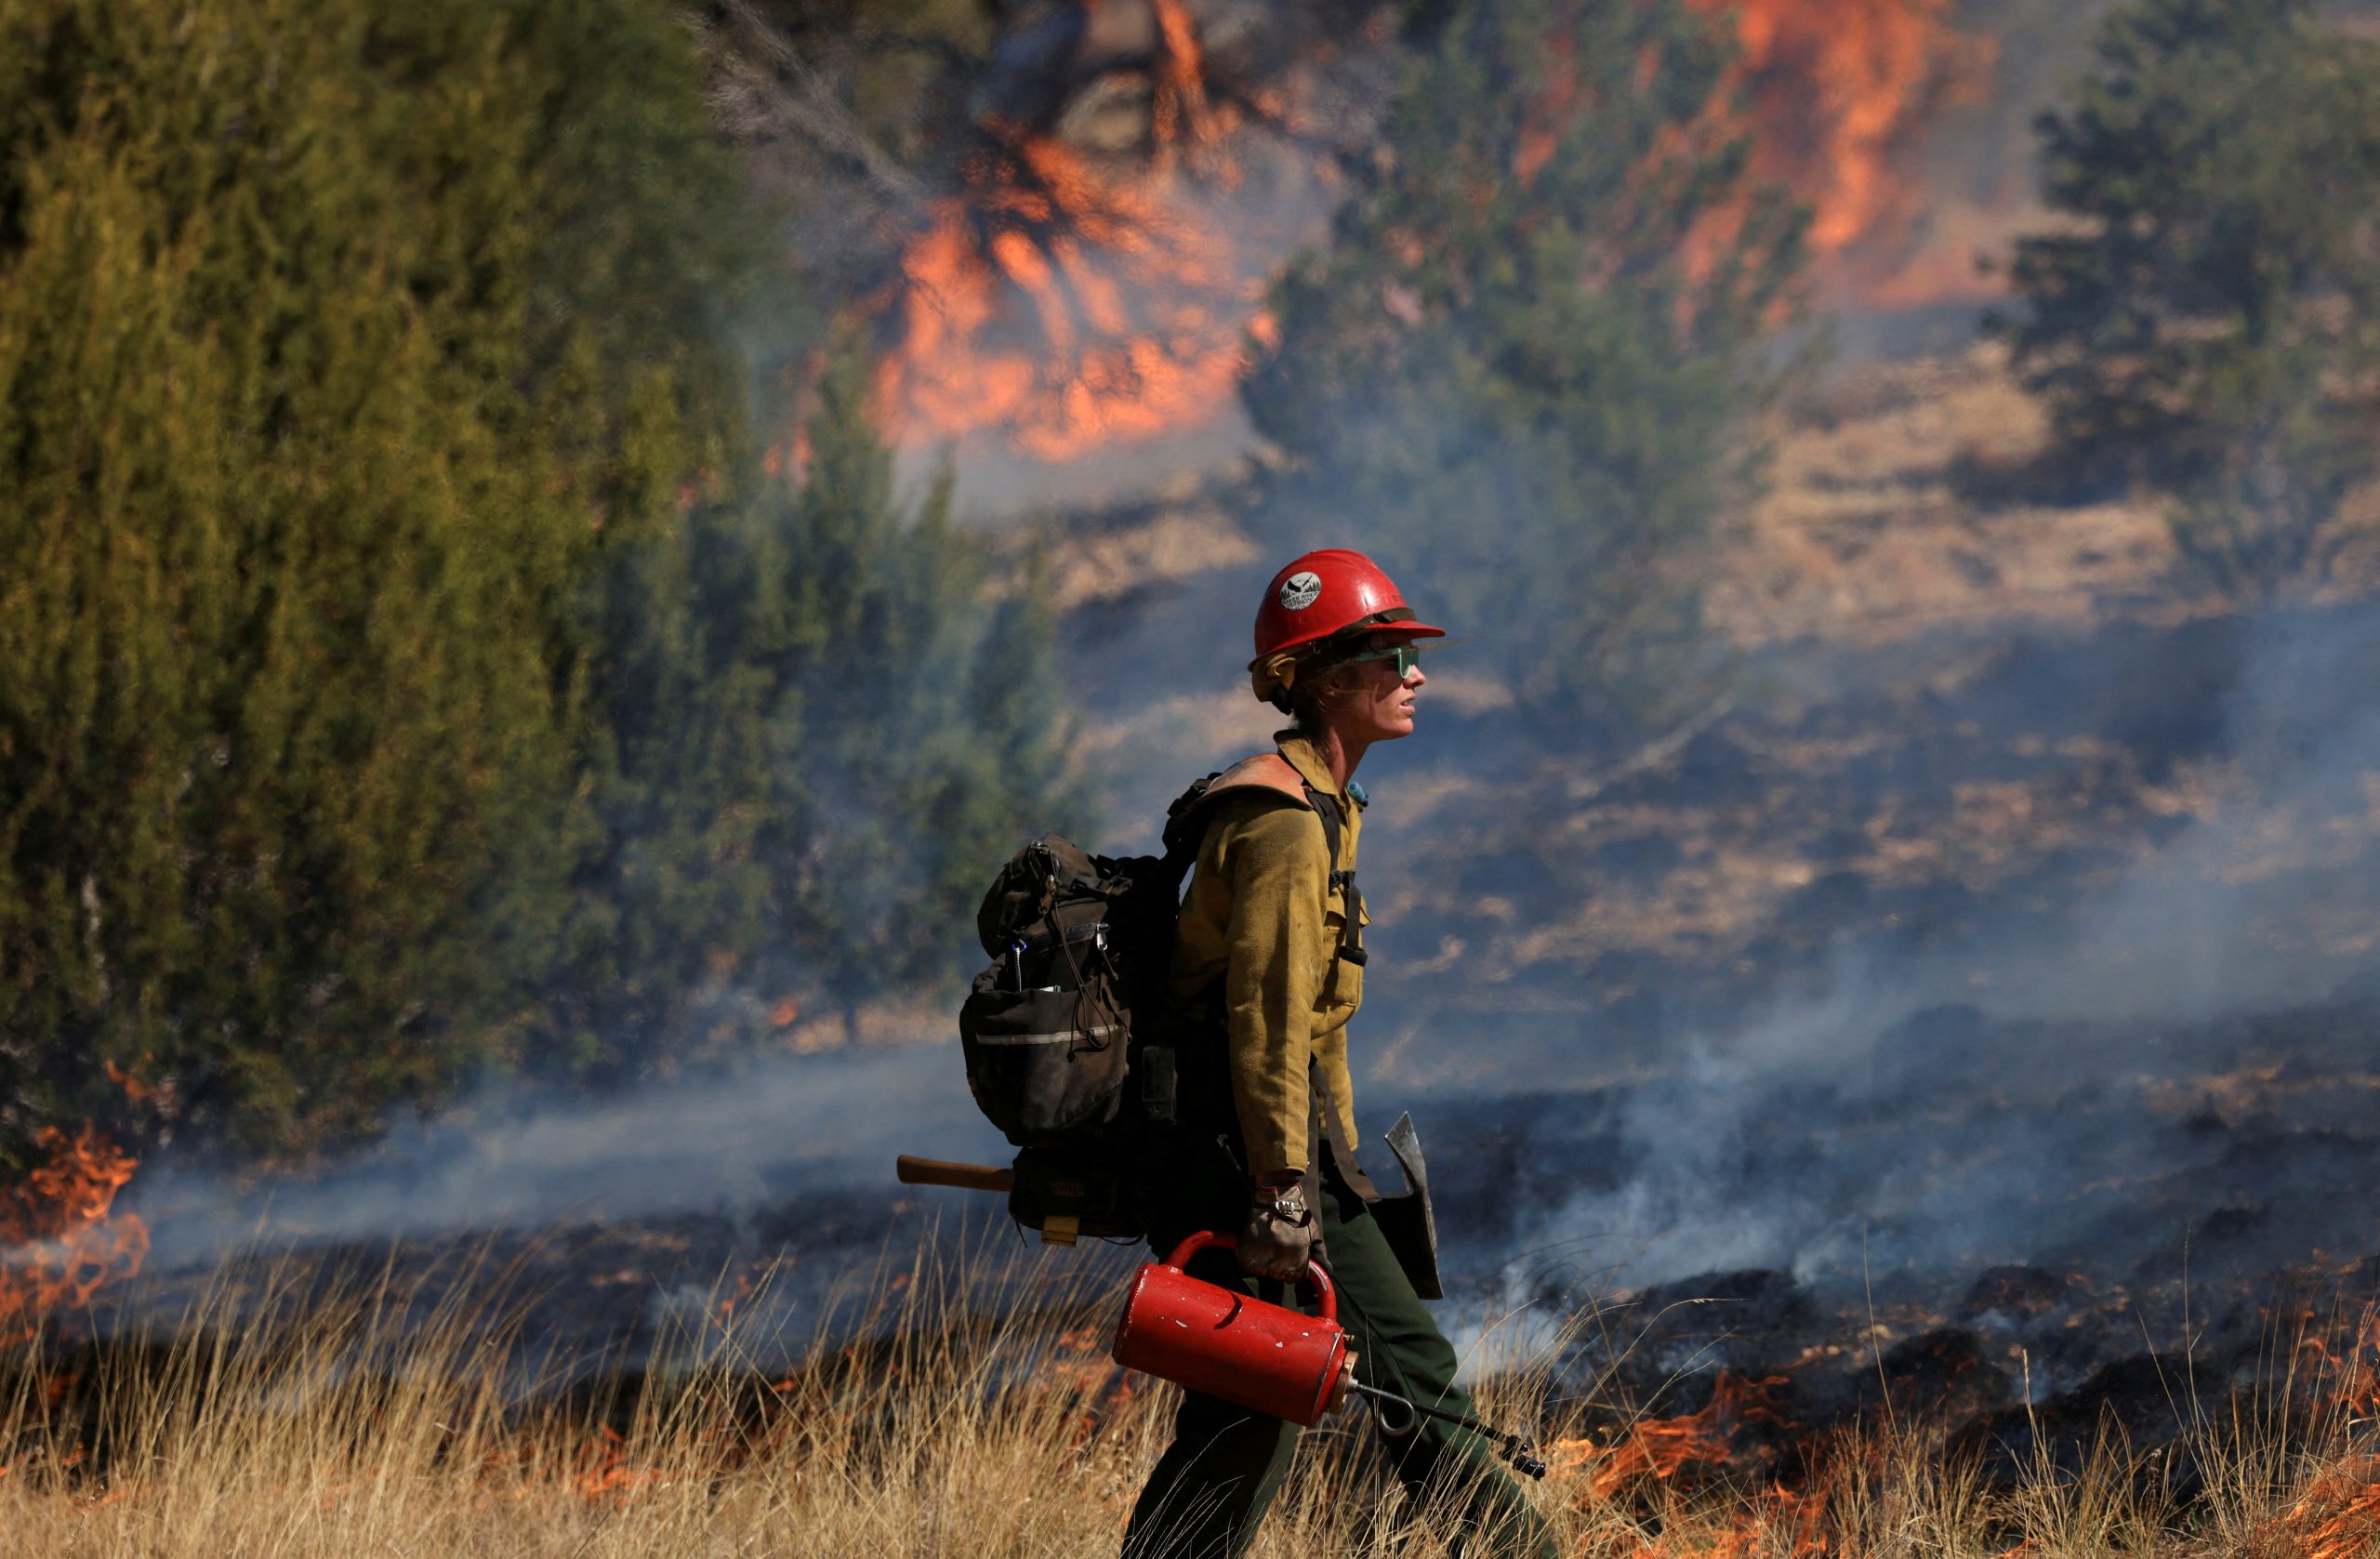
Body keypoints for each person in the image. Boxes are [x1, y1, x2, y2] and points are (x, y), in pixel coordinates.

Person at [1122, 549, 1555, 1559]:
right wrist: (1287, 1191)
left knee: (1250, 1413)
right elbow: (1265, 1024)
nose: (1414, 676)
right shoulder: (1279, 826)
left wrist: (1338, 1169)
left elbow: (1314, 1030)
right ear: (1324, 680)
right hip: (1255, 1161)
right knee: (1399, 1381)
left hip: (1279, 1153)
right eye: (1388, 656)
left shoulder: (1321, 806)